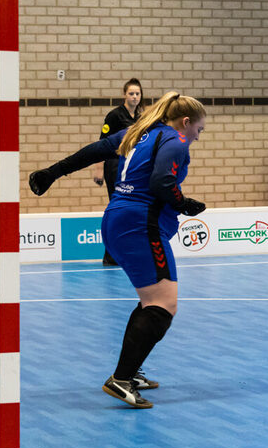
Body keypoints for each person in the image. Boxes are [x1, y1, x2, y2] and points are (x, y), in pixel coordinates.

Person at [27, 92, 209, 409]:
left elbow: (94, 151)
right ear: (185, 122)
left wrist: (52, 173)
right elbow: (162, 182)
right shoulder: (176, 140)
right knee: (164, 305)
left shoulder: (139, 132)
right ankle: (121, 379)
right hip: (140, 226)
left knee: (151, 301)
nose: (197, 136)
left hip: (116, 220)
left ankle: (130, 372)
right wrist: (184, 203)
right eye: (199, 129)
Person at [91, 78, 143, 266]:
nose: (135, 97)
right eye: (131, 93)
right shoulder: (114, 116)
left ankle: (120, 253)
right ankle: (110, 255)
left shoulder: (141, 117)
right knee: (118, 208)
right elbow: (101, 143)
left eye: (137, 93)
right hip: (114, 166)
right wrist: (99, 169)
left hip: (131, 167)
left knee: (129, 209)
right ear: (124, 95)